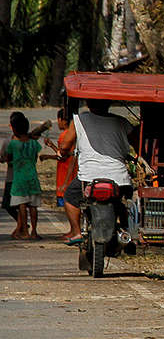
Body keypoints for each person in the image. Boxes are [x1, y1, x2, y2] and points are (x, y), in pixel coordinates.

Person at [60, 99, 136, 245]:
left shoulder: (79, 119)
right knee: (124, 202)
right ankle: (126, 231)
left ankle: (76, 232)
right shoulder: (122, 122)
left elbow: (65, 145)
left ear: (88, 104)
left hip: (88, 178)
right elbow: (137, 142)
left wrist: (62, 150)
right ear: (109, 104)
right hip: (119, 177)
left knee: (69, 197)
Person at [7, 112, 57, 240]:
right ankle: (34, 231)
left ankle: (25, 231)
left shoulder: (13, 144)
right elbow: (34, 158)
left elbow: (8, 158)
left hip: (19, 179)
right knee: (33, 206)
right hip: (32, 177)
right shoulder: (34, 144)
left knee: (22, 205)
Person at [44, 109, 80, 240]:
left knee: (68, 202)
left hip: (65, 172)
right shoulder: (74, 134)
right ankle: (73, 229)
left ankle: (74, 230)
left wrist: (50, 152)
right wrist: (52, 147)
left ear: (63, 120)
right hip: (72, 171)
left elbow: (62, 156)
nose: (58, 122)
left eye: (58, 119)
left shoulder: (64, 135)